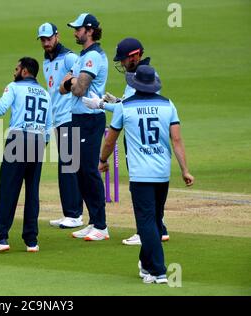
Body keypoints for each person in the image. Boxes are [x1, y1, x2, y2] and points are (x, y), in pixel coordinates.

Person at [99, 65, 194, 283]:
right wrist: (185, 170)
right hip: (162, 172)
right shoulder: (167, 104)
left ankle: (159, 270)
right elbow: (176, 140)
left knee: (147, 222)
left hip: (141, 174)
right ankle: (147, 264)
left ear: (135, 84)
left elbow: (110, 140)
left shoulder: (125, 107)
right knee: (155, 219)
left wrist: (102, 161)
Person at [82, 37, 170, 245]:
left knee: (141, 187)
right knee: (148, 187)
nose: (122, 63)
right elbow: (131, 104)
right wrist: (116, 101)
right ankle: (160, 228)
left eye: (124, 59)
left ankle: (145, 232)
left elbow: (130, 109)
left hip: (138, 139)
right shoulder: (140, 74)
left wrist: (101, 105)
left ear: (135, 55)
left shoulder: (144, 75)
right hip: (142, 136)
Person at [0, 57, 52, 253]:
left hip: (18, 139)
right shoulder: (45, 93)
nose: (13, 72)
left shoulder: (14, 87)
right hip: (39, 140)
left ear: (25, 71)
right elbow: (49, 127)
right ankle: (31, 241)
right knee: (32, 191)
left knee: (8, 189)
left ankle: (0, 238)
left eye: (16, 68)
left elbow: (0, 110)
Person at [59, 13, 109, 241]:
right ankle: (93, 221)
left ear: (89, 30)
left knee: (88, 171)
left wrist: (71, 81)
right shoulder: (82, 56)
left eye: (78, 29)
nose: (75, 32)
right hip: (77, 117)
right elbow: (63, 88)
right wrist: (71, 82)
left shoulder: (93, 57)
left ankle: (101, 225)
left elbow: (78, 89)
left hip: (90, 118)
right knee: (79, 171)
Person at [37, 22, 83, 229]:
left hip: (70, 116)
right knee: (65, 165)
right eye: (43, 40)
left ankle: (75, 215)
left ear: (57, 36)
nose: (46, 43)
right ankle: (70, 213)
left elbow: (83, 80)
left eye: (49, 38)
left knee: (69, 165)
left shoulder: (70, 57)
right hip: (57, 118)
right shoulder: (47, 60)